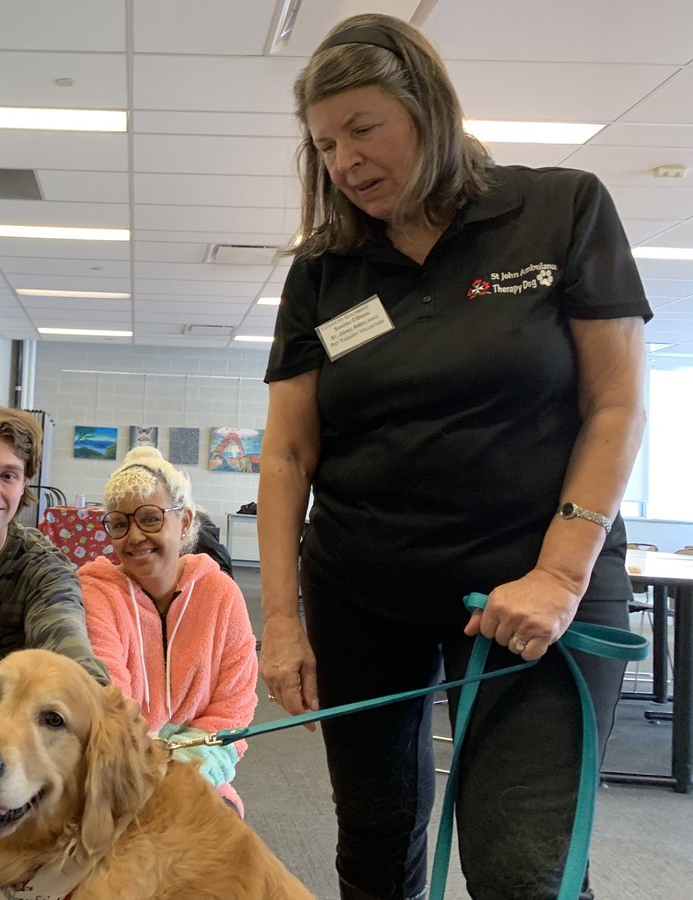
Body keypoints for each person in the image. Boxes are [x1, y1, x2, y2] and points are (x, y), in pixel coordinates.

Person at [258, 14, 649, 900]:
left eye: (364, 129)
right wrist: (282, 623)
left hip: (533, 594)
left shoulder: (561, 209)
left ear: (428, 108)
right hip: (365, 594)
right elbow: (286, 455)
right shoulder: (329, 273)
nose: (346, 162)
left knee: (522, 869)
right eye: (325, 145)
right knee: (377, 842)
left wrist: (558, 573)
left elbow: (616, 403)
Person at [79, 447, 258, 813]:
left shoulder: (221, 594)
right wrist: (142, 774)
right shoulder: (94, 592)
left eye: (150, 518)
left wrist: (181, 774)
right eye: (119, 523)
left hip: (200, 772)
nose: (134, 537)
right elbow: (106, 702)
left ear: (186, 521)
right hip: (116, 773)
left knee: (217, 848)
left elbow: (233, 710)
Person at [0, 403, 109, 726]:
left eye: (8, 476)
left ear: (25, 482)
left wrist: (103, 706)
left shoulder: (43, 570)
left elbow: (67, 641)